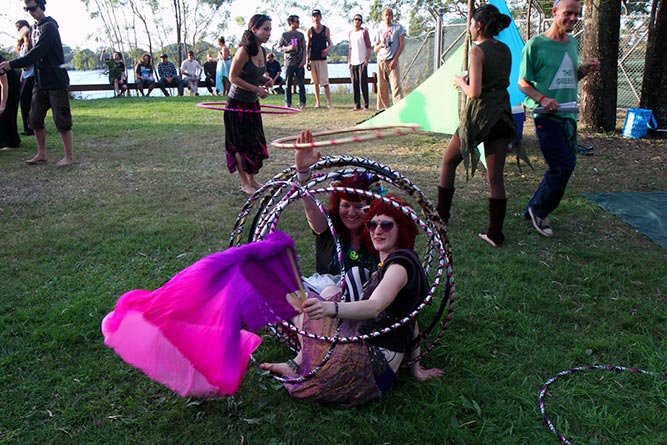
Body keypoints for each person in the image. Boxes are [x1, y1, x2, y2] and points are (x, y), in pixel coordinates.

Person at [260, 193, 443, 406]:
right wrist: (416, 370)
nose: (377, 231)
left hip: (366, 367)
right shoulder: (399, 261)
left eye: (386, 225)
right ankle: (299, 359)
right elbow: (411, 321)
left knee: (305, 302)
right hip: (380, 373)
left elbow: (375, 307)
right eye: (373, 224)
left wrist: (330, 308)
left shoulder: (399, 266)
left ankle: (296, 363)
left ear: (402, 228)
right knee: (328, 291)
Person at [437, 4, 517, 248]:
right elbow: (497, 81)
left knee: (448, 162)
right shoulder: (505, 49)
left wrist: (460, 81)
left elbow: (475, 92)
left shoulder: (476, 51)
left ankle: (440, 218)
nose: (469, 29)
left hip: (479, 117)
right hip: (502, 115)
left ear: (479, 25)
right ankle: (495, 234)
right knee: (495, 177)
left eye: (471, 24)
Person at [518, 0, 599, 237]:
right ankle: (539, 210)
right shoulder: (536, 45)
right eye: (568, 13)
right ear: (554, 13)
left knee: (561, 165)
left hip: (569, 116)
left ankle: (532, 207)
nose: (573, 18)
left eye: (577, 14)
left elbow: (569, 76)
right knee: (563, 165)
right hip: (546, 116)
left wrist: (584, 69)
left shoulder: (572, 43)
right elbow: (523, 83)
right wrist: (542, 99)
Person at [294, 130, 378, 301]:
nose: (351, 213)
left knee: (356, 275)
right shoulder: (328, 227)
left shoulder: (379, 231)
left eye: (359, 206)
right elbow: (310, 205)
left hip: (364, 300)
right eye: (345, 205)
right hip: (324, 297)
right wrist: (303, 172)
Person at [0, 0, 74, 166]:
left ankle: (69, 156)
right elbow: (32, 54)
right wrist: (25, 63)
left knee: (62, 119)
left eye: (32, 8)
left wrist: (12, 64)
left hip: (56, 81)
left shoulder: (50, 27)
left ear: (41, 6)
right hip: (40, 81)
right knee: (34, 118)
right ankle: (42, 154)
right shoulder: (33, 29)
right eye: (27, 9)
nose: (30, 12)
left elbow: (39, 51)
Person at [224, 14, 273, 195]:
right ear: (254, 30)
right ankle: (244, 183)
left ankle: (252, 180)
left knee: (254, 143)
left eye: (270, 29)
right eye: (265, 29)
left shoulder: (262, 50)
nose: (269, 33)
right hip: (237, 104)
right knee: (239, 144)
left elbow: (254, 74)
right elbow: (233, 77)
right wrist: (256, 89)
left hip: (252, 105)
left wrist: (265, 81)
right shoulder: (243, 50)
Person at [373, 7, 405, 110]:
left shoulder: (398, 28)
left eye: (390, 15)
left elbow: (401, 44)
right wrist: (381, 44)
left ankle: (399, 108)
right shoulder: (379, 30)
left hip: (392, 60)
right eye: (386, 15)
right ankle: (383, 109)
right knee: (382, 87)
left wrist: (395, 60)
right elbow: (375, 49)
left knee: (395, 86)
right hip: (381, 60)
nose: (388, 17)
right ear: (383, 16)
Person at [278, 15, 307, 109]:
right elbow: (278, 48)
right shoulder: (284, 35)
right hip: (289, 63)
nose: (298, 23)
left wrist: (304, 60)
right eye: (296, 21)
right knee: (288, 84)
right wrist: (288, 48)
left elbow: (304, 48)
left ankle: (302, 103)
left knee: (301, 84)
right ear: (291, 23)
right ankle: (288, 103)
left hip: (299, 63)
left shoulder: (301, 35)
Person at [306, 9, 333, 108]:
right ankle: (318, 102)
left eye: (317, 16)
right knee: (315, 82)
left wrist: (328, 49)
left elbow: (330, 43)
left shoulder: (326, 29)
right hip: (313, 58)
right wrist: (307, 61)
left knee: (325, 82)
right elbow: (307, 46)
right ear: (312, 18)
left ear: (320, 17)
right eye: (314, 16)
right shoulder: (310, 30)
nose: (316, 18)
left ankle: (329, 103)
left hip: (322, 59)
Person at [348, 13, 372, 111]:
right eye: (355, 19)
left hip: (362, 60)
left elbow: (369, 47)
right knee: (355, 84)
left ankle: (366, 105)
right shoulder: (350, 33)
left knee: (363, 84)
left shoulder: (364, 32)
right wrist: (349, 60)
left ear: (361, 21)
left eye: (358, 19)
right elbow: (350, 47)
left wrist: (367, 59)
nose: (357, 21)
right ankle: (357, 105)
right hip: (353, 61)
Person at [15, 20, 34, 136]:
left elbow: (27, 63)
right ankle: (28, 127)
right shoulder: (21, 45)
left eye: (19, 28)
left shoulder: (30, 43)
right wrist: (21, 77)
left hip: (32, 75)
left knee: (27, 101)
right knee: (25, 101)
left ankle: (30, 127)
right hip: (25, 76)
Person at [0, 54, 22, 150]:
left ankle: (12, 142)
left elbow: (4, 85)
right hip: (3, 84)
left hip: (10, 84)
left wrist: (3, 104)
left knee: (8, 110)